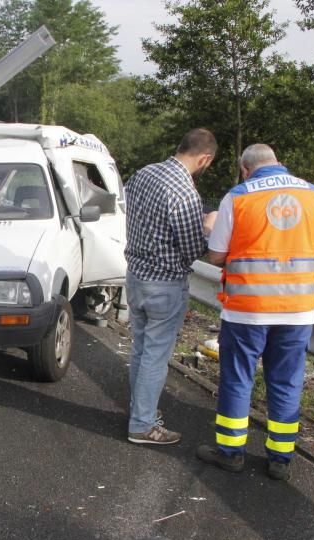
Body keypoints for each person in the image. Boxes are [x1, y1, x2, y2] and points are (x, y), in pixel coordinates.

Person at [197, 144, 314, 481]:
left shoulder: (239, 196)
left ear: (246, 168)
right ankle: (280, 459)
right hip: (297, 310)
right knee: (286, 382)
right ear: (277, 163)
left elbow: (215, 256)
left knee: (238, 378)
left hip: (249, 309)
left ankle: (230, 452)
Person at [124, 128, 218, 445]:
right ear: (205, 158)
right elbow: (192, 248)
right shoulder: (185, 191)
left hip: (136, 275)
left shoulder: (143, 174)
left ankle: (141, 411)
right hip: (164, 282)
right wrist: (207, 225)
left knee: (140, 350)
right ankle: (142, 425)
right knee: (155, 355)